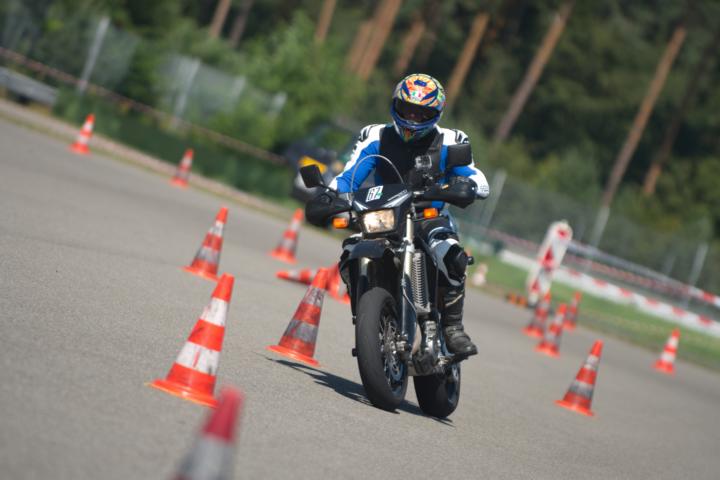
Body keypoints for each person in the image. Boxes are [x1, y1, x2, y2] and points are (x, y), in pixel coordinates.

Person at [326, 73, 489, 357]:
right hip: (385, 216)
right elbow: (348, 177)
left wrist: (468, 187)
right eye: (407, 109)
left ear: (435, 113)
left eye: (421, 112)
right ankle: (367, 314)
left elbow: (477, 178)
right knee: (350, 250)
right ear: (395, 105)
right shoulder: (375, 135)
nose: (412, 117)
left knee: (452, 255)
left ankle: (452, 328)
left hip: (430, 216)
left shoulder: (451, 140)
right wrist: (328, 196)